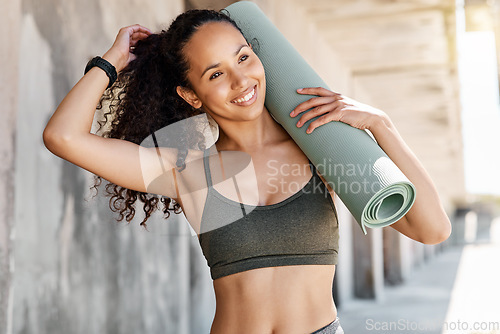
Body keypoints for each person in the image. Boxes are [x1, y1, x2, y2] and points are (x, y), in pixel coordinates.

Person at [43, 8, 452, 334]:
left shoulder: (320, 151)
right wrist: (110, 61)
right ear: (191, 95)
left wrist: (383, 125)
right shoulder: (186, 173)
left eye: (243, 57)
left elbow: (432, 230)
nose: (241, 80)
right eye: (216, 73)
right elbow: (63, 137)